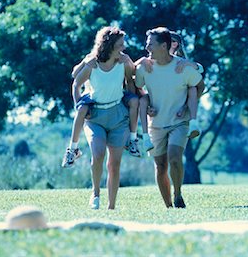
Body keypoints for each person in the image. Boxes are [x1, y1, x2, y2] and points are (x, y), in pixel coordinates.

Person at [135, 27, 204, 208]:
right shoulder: (144, 67)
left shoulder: (183, 67)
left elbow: (199, 87)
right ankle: (168, 206)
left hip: (179, 122)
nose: (147, 47)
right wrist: (147, 104)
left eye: (150, 44)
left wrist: (188, 109)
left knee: (174, 157)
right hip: (156, 124)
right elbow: (137, 88)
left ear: (164, 46)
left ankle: (178, 194)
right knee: (160, 166)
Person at [70, 26, 134, 210]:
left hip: (118, 117)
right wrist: (80, 106)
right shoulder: (93, 62)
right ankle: (95, 193)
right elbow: (75, 80)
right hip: (95, 116)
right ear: (110, 44)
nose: (124, 46)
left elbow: (132, 80)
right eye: (120, 44)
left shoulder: (123, 60)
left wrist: (129, 62)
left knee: (114, 163)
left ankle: (111, 206)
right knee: (97, 155)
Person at [62, 53, 141, 168]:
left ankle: (132, 139)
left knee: (134, 102)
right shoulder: (92, 58)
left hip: (115, 96)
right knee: (82, 109)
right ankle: (72, 149)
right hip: (92, 97)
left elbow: (132, 73)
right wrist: (85, 61)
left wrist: (129, 61)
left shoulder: (120, 57)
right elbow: (74, 74)